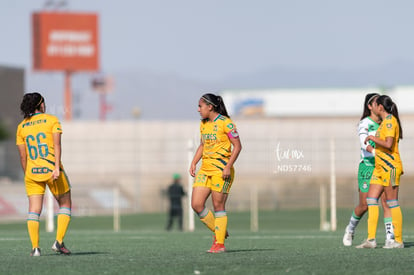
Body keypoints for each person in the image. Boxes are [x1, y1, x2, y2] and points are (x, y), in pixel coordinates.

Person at [16, 92, 72, 256]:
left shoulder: (21, 126)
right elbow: (57, 146)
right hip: (52, 171)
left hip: (32, 173)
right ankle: (59, 242)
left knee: (34, 210)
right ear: (41, 104)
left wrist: (27, 173)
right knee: (65, 204)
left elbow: (22, 156)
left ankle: (35, 248)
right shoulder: (52, 120)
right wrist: (56, 168)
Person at [189, 93, 242, 253]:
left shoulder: (227, 124)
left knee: (218, 205)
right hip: (205, 170)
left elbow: (238, 146)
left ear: (210, 107)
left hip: (221, 170)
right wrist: (193, 162)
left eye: (200, 106)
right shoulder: (204, 124)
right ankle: (220, 231)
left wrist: (228, 166)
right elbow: (202, 145)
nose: (198, 110)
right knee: (196, 204)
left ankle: (219, 244)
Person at [343, 93, 394, 246]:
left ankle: (390, 238)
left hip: (384, 166)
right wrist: (374, 151)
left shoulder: (388, 122)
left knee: (387, 202)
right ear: (370, 106)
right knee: (364, 205)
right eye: (376, 102)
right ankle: (350, 229)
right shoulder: (364, 123)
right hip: (368, 166)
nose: (379, 105)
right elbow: (363, 143)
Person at [356, 95, 404, 249]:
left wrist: (372, 138)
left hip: (390, 167)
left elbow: (389, 144)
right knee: (371, 199)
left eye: (375, 104)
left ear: (380, 107)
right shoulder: (383, 123)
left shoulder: (390, 121)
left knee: (391, 202)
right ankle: (371, 239)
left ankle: (398, 240)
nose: (374, 107)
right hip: (379, 168)